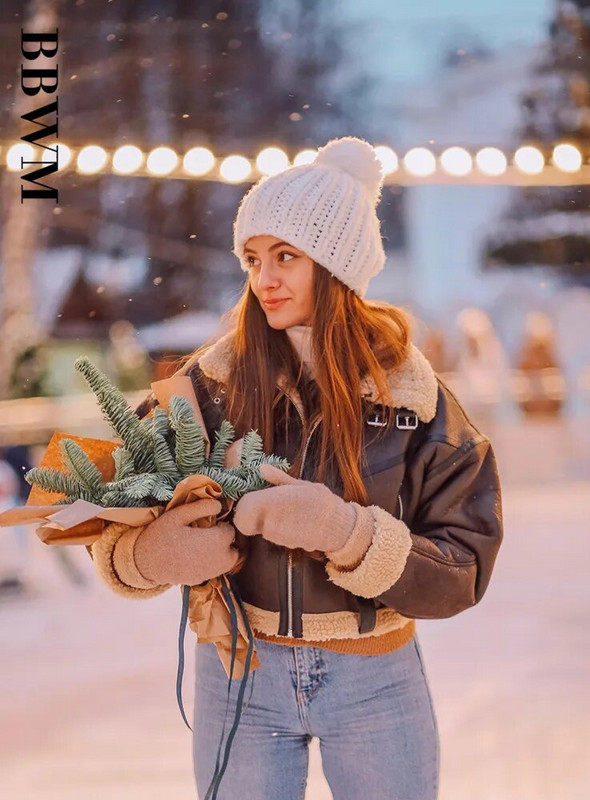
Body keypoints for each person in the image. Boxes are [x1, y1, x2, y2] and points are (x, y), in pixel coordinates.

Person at [90, 137, 503, 800]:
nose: (265, 279)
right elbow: (107, 512)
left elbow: (463, 568)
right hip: (237, 673)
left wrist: (347, 532)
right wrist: (148, 556)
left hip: (374, 681)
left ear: (337, 266)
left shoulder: (414, 400)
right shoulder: (211, 385)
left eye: (286, 256)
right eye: (253, 258)